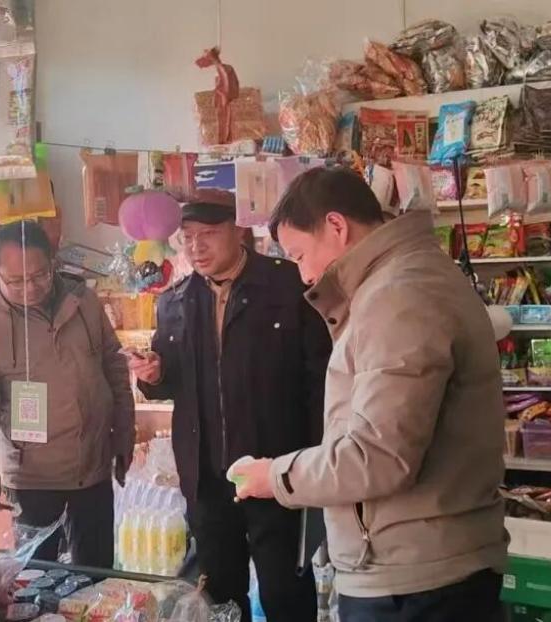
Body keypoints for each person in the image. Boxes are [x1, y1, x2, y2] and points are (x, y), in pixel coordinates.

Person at [234, 167, 508, 622]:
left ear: (336, 226)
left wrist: (275, 477)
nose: (304, 275)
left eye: (300, 255)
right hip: (415, 566)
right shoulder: (394, 284)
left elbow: (378, 456)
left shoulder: (401, 295)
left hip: (417, 580)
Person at [131, 189, 331, 622]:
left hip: (275, 466)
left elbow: (320, 375)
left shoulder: (287, 285)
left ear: (238, 230)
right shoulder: (175, 301)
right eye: (187, 237)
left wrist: (318, 456)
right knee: (220, 595)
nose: (196, 247)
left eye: (208, 234)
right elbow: (171, 381)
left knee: (285, 591)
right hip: (207, 476)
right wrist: (154, 375)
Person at [0, 220, 134, 568]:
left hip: (92, 467)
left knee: (96, 577)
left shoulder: (83, 302)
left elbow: (114, 367)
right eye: (16, 281)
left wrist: (124, 434)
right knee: (37, 578)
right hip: (32, 479)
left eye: (39, 275)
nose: (30, 288)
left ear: (52, 261)